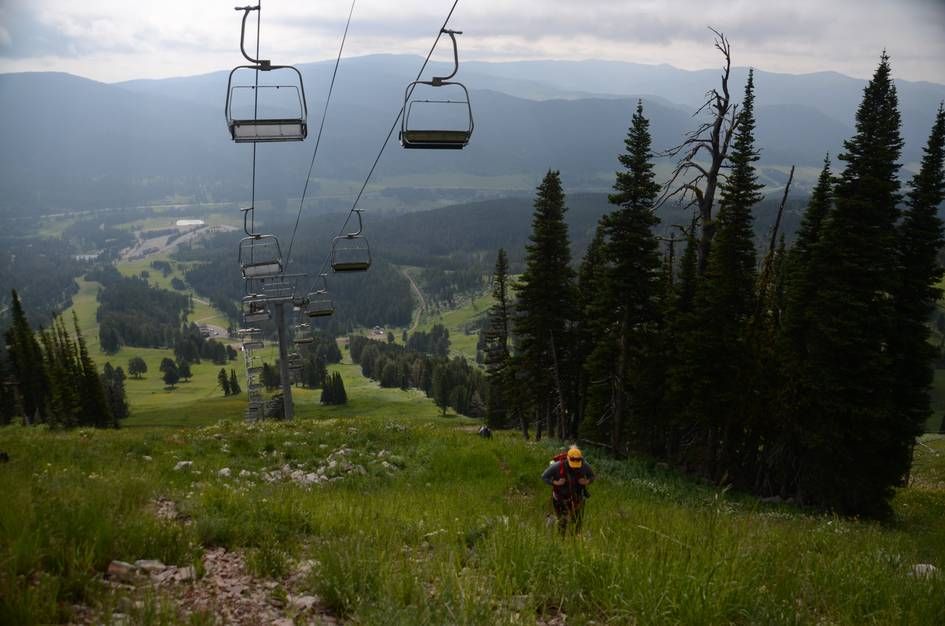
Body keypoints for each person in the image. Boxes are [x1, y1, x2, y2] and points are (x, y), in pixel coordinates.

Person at [541, 446, 595, 535]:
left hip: (578, 499)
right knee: (562, 522)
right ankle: (561, 541)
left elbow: (592, 476)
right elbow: (544, 477)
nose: (575, 467)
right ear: (568, 459)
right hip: (560, 499)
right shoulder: (557, 466)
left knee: (578, 522)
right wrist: (555, 482)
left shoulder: (585, 465)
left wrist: (587, 481)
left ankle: (576, 540)